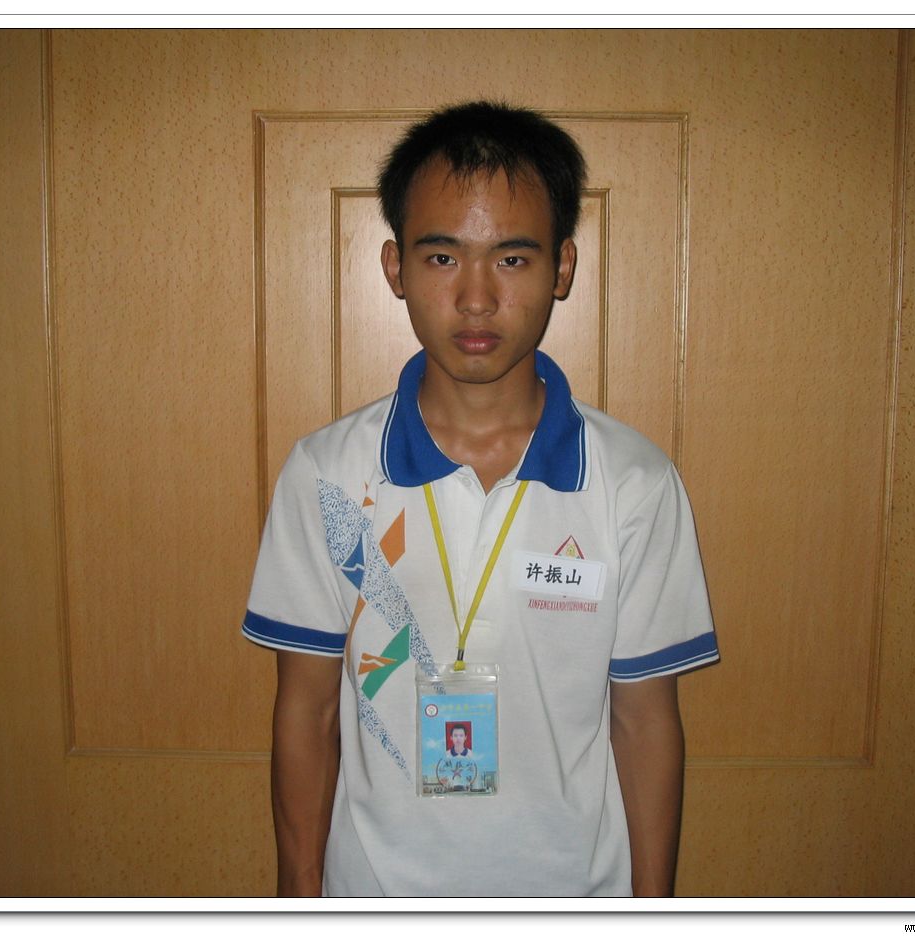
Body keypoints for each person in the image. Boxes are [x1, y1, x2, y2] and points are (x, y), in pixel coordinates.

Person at [242, 101, 719, 897]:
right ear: (394, 268)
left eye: (512, 259)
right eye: (441, 257)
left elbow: (644, 721)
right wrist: (297, 903)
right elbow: (306, 711)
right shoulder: (328, 475)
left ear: (561, 269)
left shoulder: (632, 483)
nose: (474, 298)